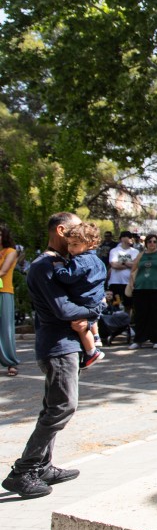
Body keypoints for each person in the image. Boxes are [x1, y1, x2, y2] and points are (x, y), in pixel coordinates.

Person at [1, 213, 85, 499]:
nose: (82, 233)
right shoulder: (44, 266)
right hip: (57, 347)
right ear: (61, 231)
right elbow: (64, 310)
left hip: (66, 345)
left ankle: (42, 465)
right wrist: (94, 310)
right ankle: (23, 471)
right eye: (76, 229)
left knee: (53, 406)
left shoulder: (60, 264)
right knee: (62, 407)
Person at [51, 222, 107, 369]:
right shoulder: (98, 261)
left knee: (80, 327)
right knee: (86, 325)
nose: (70, 248)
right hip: (95, 300)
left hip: (83, 301)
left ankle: (91, 352)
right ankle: (95, 340)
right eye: (69, 244)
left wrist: (58, 267)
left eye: (75, 244)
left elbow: (67, 277)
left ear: (91, 243)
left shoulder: (80, 261)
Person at [128, 234, 157, 350]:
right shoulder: (141, 255)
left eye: (154, 241)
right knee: (141, 315)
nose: (152, 244)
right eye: (149, 242)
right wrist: (132, 283)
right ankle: (139, 340)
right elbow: (133, 270)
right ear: (146, 243)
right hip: (141, 288)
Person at [0, 225, 23, 377]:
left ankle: (11, 363)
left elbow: (3, 271)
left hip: (4, 292)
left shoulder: (11, 252)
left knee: (6, 329)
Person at [107, 233, 138, 312]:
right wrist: (128, 264)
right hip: (115, 282)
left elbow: (135, 264)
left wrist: (121, 262)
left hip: (129, 282)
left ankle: (127, 321)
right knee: (115, 303)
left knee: (129, 305)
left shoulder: (135, 251)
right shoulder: (114, 251)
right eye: (129, 237)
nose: (131, 239)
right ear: (122, 239)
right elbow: (114, 264)